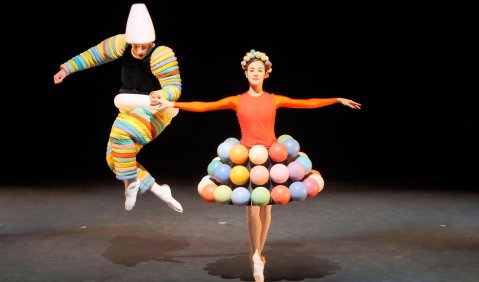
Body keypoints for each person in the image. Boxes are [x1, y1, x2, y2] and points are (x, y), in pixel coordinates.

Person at [152, 49, 361, 281]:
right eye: (252, 70)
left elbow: (307, 104)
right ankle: (255, 256)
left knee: (266, 208)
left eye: (259, 71)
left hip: (272, 158)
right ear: (246, 73)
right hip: (248, 159)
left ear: (266, 74)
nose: (255, 74)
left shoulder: (274, 99)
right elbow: (204, 106)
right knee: (252, 208)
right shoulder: (236, 100)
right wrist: (170, 102)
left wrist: (336, 100)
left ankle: (259, 254)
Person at [53, 3, 183, 213]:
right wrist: (67, 69)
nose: (140, 50)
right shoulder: (121, 43)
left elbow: (174, 86)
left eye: (144, 46)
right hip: (128, 108)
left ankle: (131, 183)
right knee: (114, 158)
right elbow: (94, 55)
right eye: (135, 46)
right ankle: (160, 191)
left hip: (155, 110)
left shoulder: (161, 54)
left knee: (120, 134)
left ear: (152, 42)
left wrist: (163, 94)